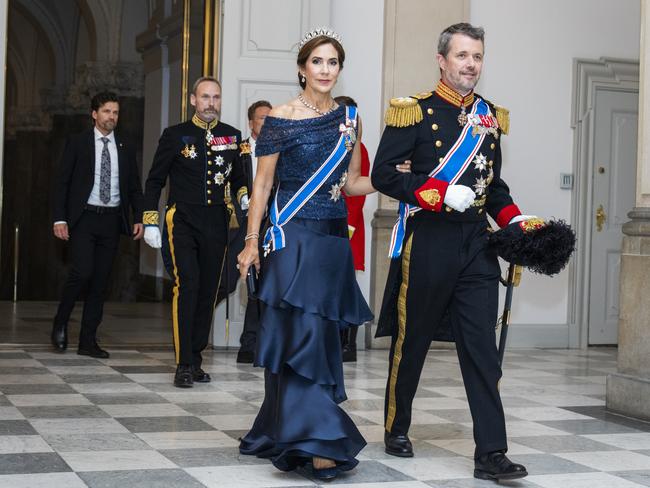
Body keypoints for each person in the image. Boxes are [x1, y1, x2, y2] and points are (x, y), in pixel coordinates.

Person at [371, 23, 531, 481]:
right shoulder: (413, 112)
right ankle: (397, 427)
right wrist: (436, 193)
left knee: (481, 348)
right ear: (442, 60)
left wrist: (514, 218)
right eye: (462, 56)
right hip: (430, 239)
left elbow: (493, 186)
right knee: (413, 339)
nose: (470, 64)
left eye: (477, 56)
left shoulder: (488, 117)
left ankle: (491, 454)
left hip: (476, 244)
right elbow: (384, 174)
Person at [236, 28, 373, 481]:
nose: (326, 70)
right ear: (302, 68)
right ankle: (318, 440)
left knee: (315, 336)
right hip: (293, 238)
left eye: (333, 62)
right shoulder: (279, 117)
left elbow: (351, 182)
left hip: (332, 239)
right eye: (318, 61)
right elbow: (262, 186)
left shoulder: (350, 116)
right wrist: (252, 240)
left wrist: (393, 180)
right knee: (304, 335)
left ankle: (277, 429)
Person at [142, 76, 249, 388]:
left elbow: (240, 179)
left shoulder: (233, 136)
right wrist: (150, 219)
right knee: (187, 286)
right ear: (193, 100)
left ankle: (196, 358)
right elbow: (155, 180)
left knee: (208, 291)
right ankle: (183, 363)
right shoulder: (175, 135)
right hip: (183, 219)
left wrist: (245, 200)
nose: (210, 103)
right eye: (205, 97)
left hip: (217, 220)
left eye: (216, 97)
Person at [51, 92, 144, 359]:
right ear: (94, 113)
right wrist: (60, 218)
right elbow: (62, 183)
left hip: (112, 219)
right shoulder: (77, 143)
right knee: (82, 272)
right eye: (106, 112)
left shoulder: (125, 145)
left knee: (101, 281)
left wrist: (139, 217)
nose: (111, 117)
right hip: (84, 219)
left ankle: (87, 341)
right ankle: (60, 322)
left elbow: (134, 187)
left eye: (115, 112)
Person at [236, 100, 273, 364]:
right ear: (251, 122)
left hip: (271, 225)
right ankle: (249, 342)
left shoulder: (278, 149)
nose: (267, 123)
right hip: (241, 226)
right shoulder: (239, 150)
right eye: (262, 119)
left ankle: (254, 343)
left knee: (263, 285)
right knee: (242, 284)